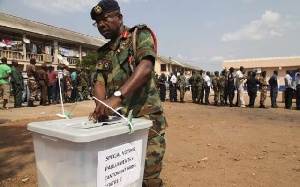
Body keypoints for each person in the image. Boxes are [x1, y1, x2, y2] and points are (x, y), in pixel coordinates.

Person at [88, 1, 168, 186]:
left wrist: (116, 98)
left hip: (147, 119)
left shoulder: (139, 35)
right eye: (97, 22)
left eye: (105, 19)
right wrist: (101, 105)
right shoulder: (104, 52)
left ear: (119, 18)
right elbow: (99, 81)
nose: (101, 25)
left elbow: (146, 67)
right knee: (123, 174)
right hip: (119, 122)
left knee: (149, 177)